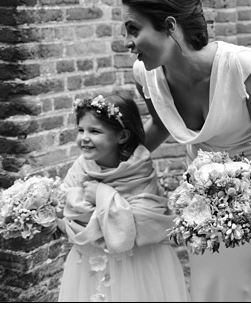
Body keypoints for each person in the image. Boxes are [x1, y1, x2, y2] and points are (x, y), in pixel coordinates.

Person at [125, 0, 251, 301]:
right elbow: (158, 125)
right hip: (201, 187)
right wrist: (115, 164)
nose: (127, 42)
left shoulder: (242, 66)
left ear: (169, 26)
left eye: (133, 29)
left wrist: (240, 194)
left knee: (249, 285)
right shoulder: (144, 74)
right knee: (207, 282)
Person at [58, 93, 188, 302]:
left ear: (122, 136)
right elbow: (70, 211)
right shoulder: (80, 167)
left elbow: (143, 222)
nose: (84, 137)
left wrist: (102, 194)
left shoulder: (141, 170)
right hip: (91, 258)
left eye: (95, 131)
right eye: (81, 130)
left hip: (139, 261)